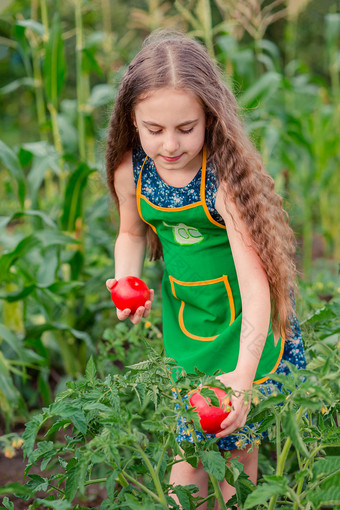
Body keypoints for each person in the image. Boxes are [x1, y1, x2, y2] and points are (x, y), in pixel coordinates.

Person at [105, 31, 306, 509]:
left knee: (238, 455)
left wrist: (242, 375)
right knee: (191, 452)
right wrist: (126, 279)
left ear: (210, 118)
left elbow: (257, 287)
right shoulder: (131, 171)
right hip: (189, 329)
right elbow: (131, 234)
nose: (170, 144)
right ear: (131, 121)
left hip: (244, 331)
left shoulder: (223, 181)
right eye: (154, 130)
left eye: (186, 128)